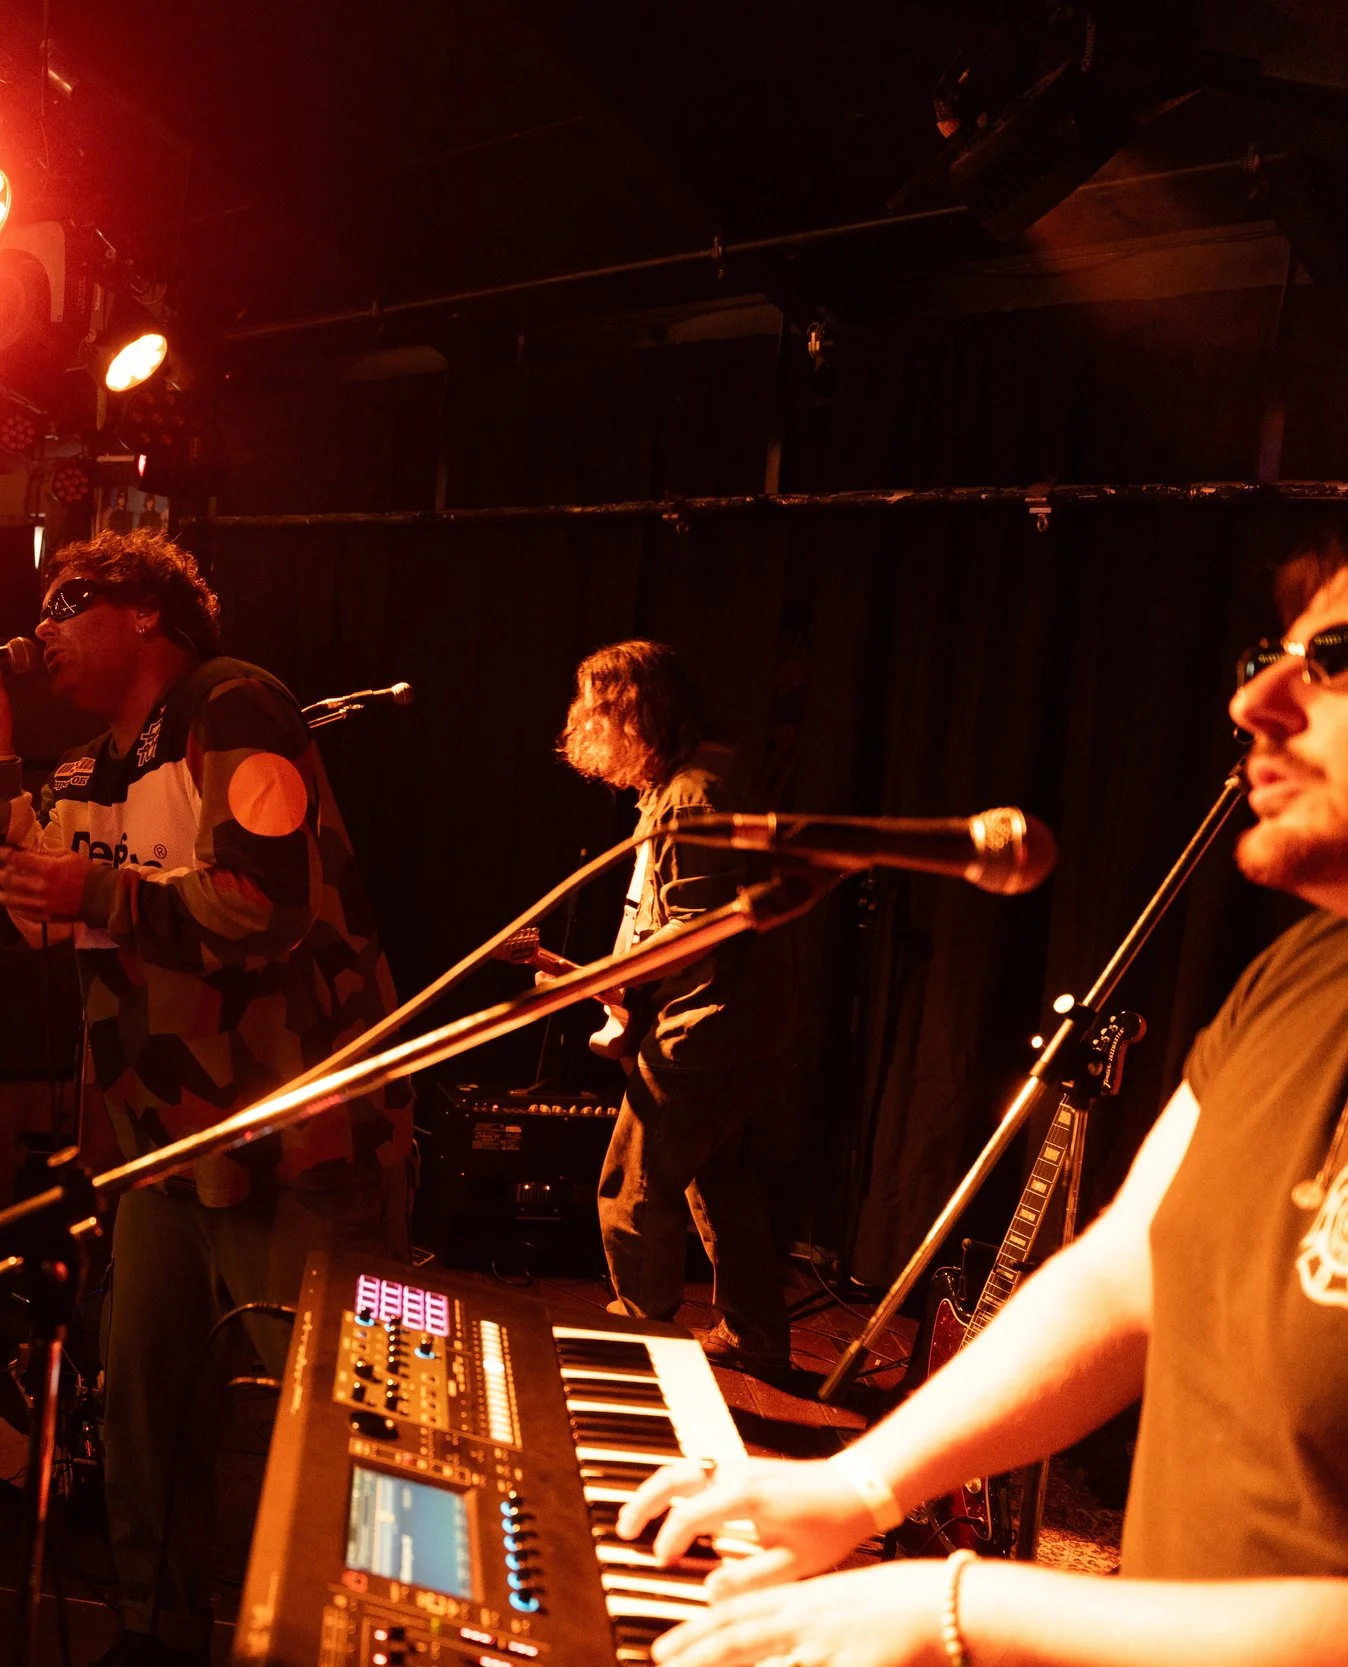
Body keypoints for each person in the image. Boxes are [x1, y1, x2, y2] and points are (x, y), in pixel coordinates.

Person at [613, 537, 1348, 1667]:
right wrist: (862, 1482)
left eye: (1331, 660)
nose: (1253, 699)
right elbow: (1127, 1268)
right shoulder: (1297, 977)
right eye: (1267, 656)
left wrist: (954, 1605)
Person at [0, 528, 407, 1665]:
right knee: (143, 1405)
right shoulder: (93, 763)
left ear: (145, 611)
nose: (39, 627)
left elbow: (265, 898)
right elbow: (24, 917)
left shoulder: (232, 705)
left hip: (298, 1137)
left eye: (68, 600)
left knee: (333, 1420)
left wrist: (93, 885)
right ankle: (156, 1630)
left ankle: (354, 1635)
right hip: (157, 1150)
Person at [555, 639, 793, 1377]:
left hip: (706, 1029)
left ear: (633, 712)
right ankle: (755, 1331)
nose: (586, 730)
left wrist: (620, 978)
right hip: (732, 1024)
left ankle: (639, 1345)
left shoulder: (694, 791)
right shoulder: (696, 781)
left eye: (597, 714)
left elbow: (700, 926)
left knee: (633, 1182)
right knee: (716, 1178)